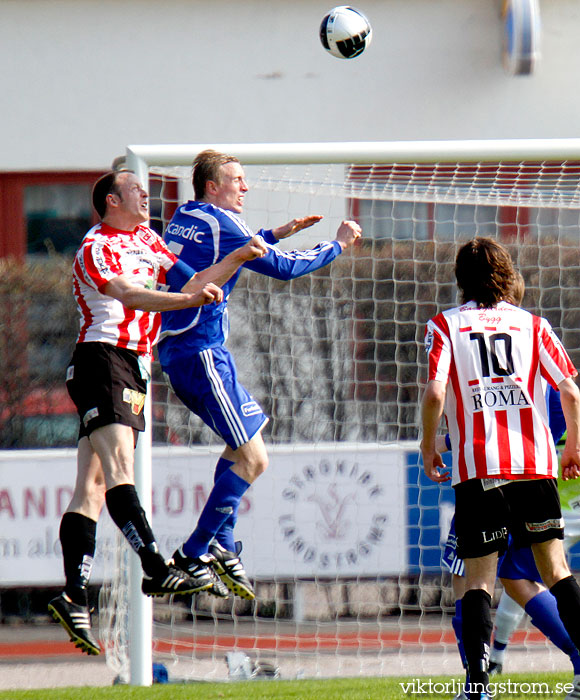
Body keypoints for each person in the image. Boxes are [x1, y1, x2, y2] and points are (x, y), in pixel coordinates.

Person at [48, 169, 267, 656]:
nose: (147, 198)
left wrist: (237, 256)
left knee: (93, 485)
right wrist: (187, 300)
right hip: (104, 357)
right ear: (112, 200)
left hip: (132, 365)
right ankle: (156, 566)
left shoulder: (148, 238)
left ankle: (73, 594)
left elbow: (196, 280)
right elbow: (129, 294)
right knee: (120, 467)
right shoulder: (96, 247)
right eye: (136, 192)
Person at [158, 149, 362, 600]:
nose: (245, 187)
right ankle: (195, 552)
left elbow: (224, 245)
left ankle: (224, 546)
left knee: (241, 449)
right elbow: (285, 269)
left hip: (181, 353)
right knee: (254, 459)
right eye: (237, 179)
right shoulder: (225, 224)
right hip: (202, 352)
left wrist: (275, 232)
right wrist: (339, 244)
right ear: (213, 186)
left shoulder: (185, 215)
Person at [420, 237, 580, 700]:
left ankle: (476, 687)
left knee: (478, 581)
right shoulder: (534, 325)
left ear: (459, 278)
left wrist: (429, 444)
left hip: (479, 468)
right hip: (534, 465)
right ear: (508, 274)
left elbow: (434, 393)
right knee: (556, 570)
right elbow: (570, 392)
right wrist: (572, 447)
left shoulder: (445, 325)